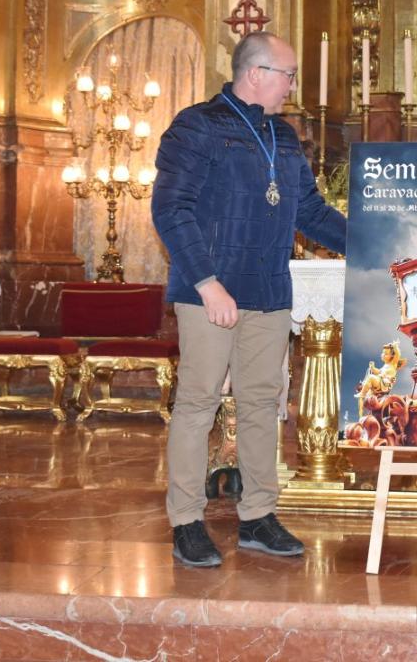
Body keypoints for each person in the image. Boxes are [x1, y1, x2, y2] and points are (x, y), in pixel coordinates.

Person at [152, 31, 346, 568]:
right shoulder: (195, 126)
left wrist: (371, 241)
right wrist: (207, 284)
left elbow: (309, 211)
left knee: (264, 404)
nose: (292, 86)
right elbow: (172, 210)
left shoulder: (283, 138)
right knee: (198, 403)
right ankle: (186, 521)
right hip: (212, 290)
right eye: (288, 75)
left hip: (268, 290)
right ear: (257, 73)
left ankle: (258, 514)